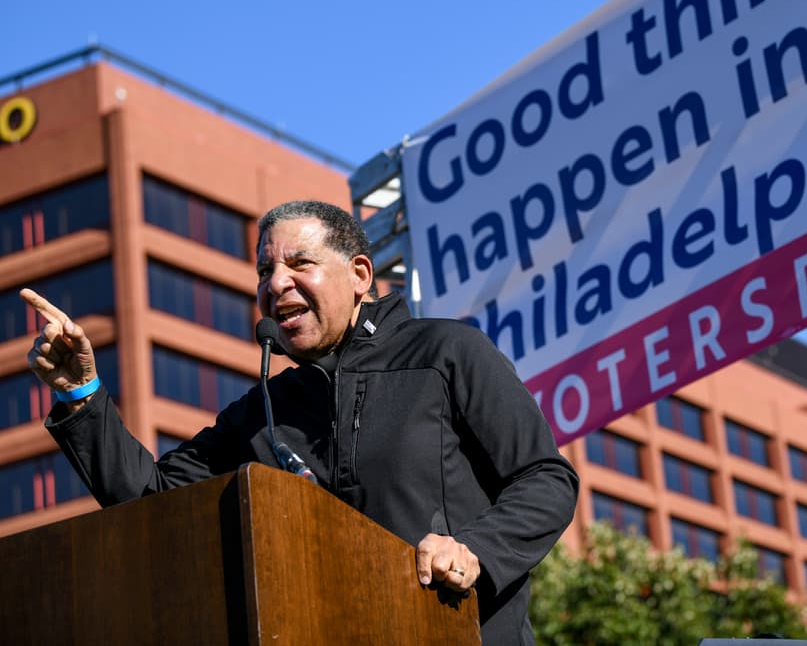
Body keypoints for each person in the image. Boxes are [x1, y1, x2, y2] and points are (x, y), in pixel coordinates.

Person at [23, 199, 579, 644]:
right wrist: (82, 395)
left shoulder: (447, 352)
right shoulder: (260, 412)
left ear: (359, 274)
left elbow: (545, 479)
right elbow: (154, 501)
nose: (276, 283)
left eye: (299, 264)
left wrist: (474, 549)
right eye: (265, 270)